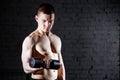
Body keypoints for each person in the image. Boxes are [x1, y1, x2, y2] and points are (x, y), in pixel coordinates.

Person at [21, 3, 65, 80]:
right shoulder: (31, 39)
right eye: (44, 21)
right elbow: (26, 68)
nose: (47, 25)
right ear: (37, 19)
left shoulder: (56, 39)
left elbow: (61, 66)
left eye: (51, 21)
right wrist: (43, 65)